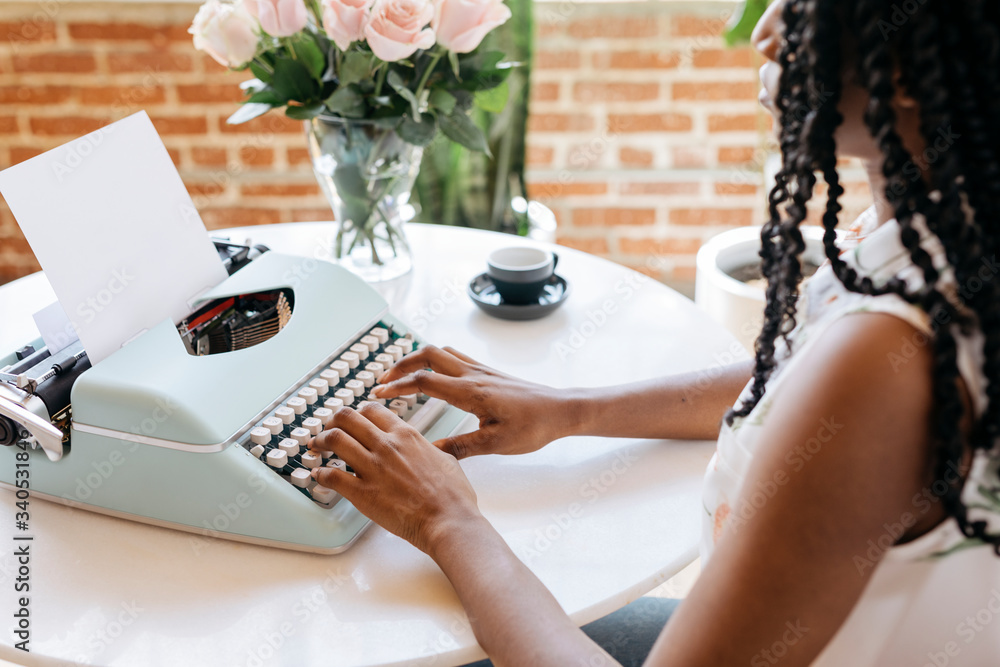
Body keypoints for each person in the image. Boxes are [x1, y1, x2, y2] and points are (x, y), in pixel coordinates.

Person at [308, 0, 1000, 664]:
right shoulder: (937, 232)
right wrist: (571, 408)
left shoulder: (884, 358)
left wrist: (447, 519)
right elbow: (801, 376)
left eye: (806, 5)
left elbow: (846, 392)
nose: (766, 31)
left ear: (908, 69)